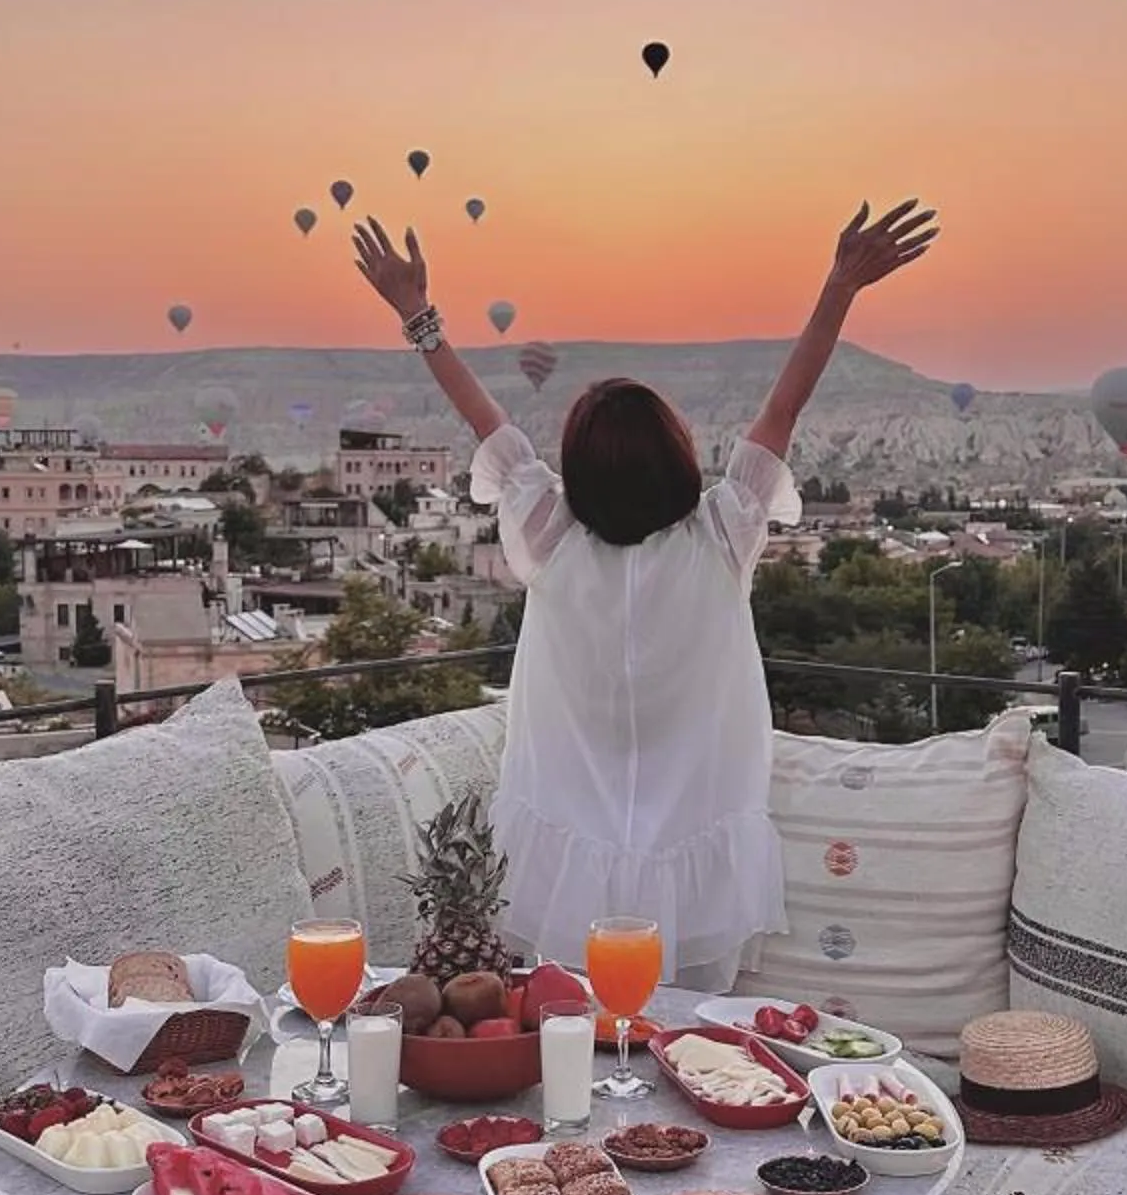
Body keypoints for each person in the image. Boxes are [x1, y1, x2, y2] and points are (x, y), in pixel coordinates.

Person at [351, 199, 938, 990]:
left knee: (571, 1040)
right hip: (694, 861)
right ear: (676, 455)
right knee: (690, 1046)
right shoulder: (723, 534)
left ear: (580, 470)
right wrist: (840, 286)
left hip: (566, 861)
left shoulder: (549, 533)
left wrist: (417, 313)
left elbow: (485, 421)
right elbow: (782, 408)